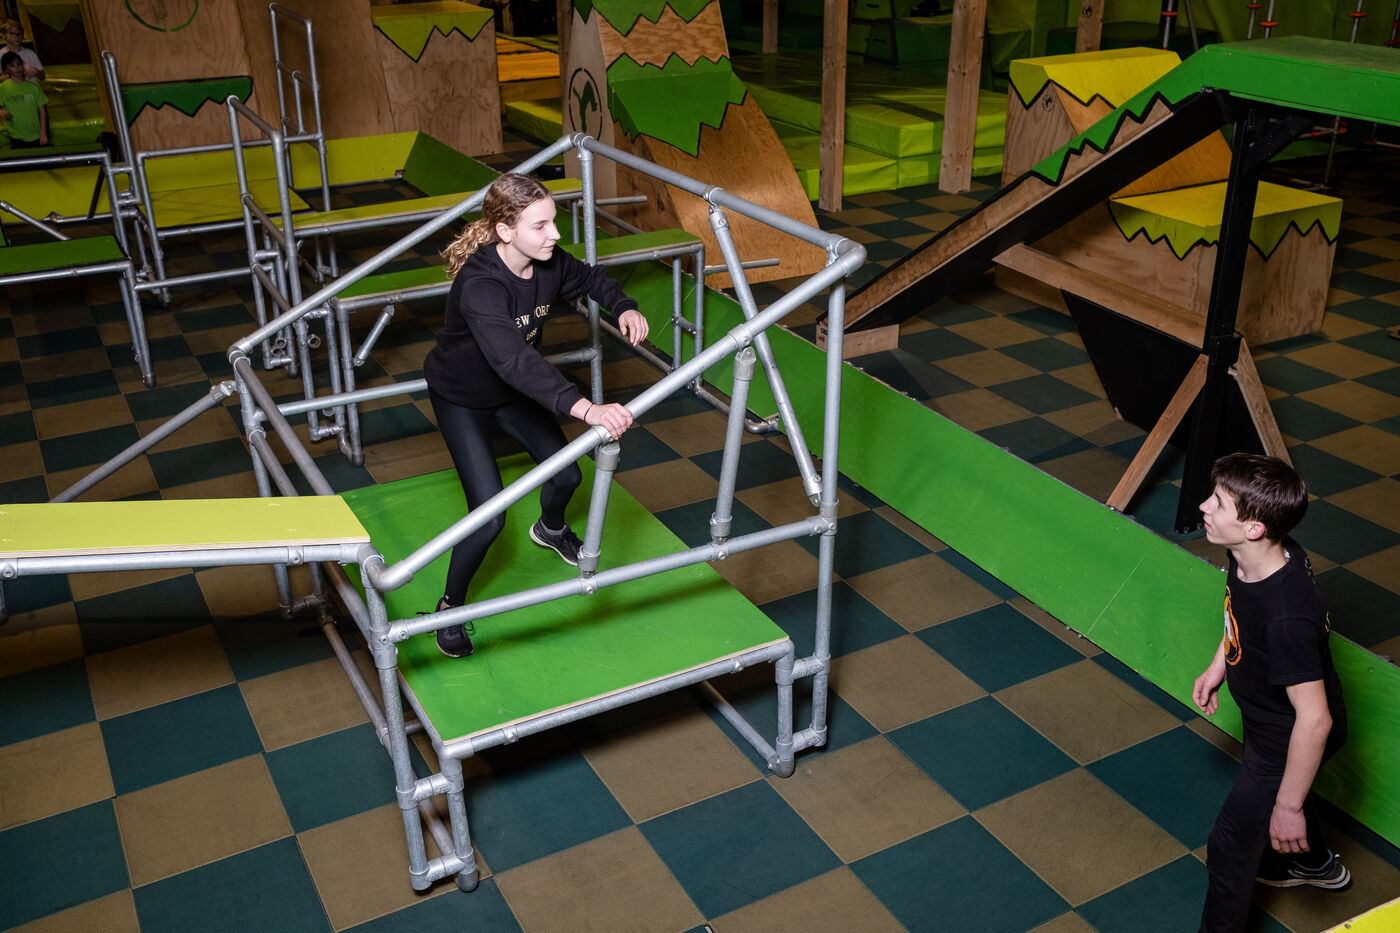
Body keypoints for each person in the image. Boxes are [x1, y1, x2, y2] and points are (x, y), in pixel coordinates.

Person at [422, 173, 649, 658]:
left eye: (554, 222)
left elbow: (592, 279)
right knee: (488, 519)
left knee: (567, 476)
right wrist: (587, 409)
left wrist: (623, 307)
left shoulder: (548, 262)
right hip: (462, 397)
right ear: (505, 231)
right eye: (541, 226)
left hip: (512, 392)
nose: (555, 235)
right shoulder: (481, 285)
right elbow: (514, 360)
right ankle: (448, 607)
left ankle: (550, 530)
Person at [1192, 453, 1349, 933]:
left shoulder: (1287, 617)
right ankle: (1315, 863)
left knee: (1229, 849)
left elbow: (1315, 721)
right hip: (1270, 724)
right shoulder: (1253, 555)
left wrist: (1288, 807)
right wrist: (1221, 661)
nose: (1203, 506)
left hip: (1285, 738)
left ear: (1254, 527)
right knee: (1280, 796)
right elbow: (1240, 608)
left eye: (1218, 504)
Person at [0, 50, 47, 148]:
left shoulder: (33, 87)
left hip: (36, 134)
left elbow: (42, 110)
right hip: (16, 135)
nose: (17, 68)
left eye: (19, 64)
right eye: (12, 65)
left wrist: (43, 133)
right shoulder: (3, 88)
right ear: (6, 69)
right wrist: (1, 112)